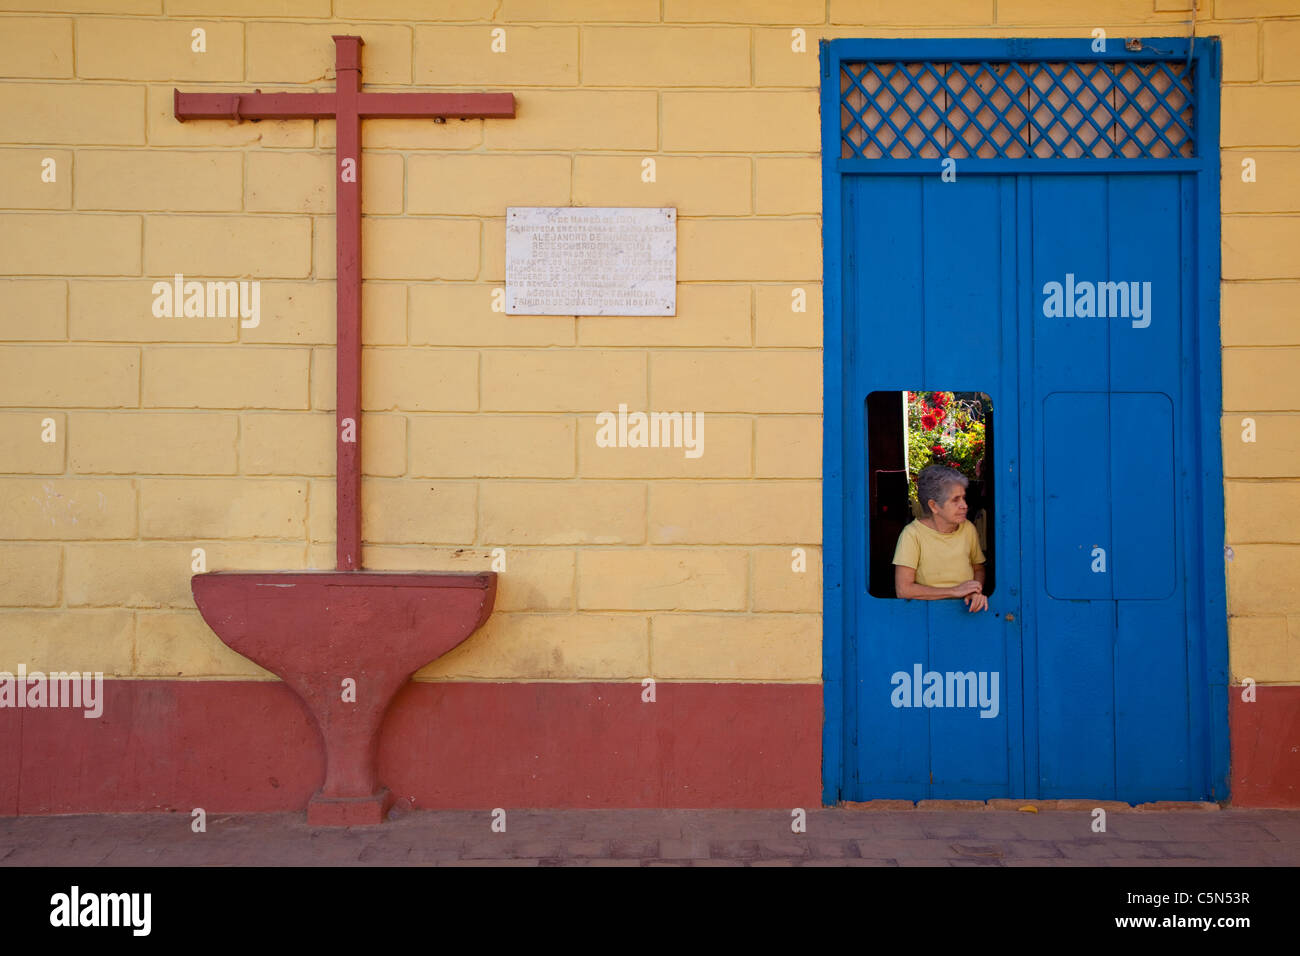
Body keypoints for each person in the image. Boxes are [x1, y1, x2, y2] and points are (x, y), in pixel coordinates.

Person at [892, 464, 988, 612]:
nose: (964, 505)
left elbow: (978, 568)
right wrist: (954, 591)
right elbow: (903, 590)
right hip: (926, 615)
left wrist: (975, 591)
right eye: (955, 500)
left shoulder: (968, 529)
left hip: (967, 612)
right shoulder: (912, 534)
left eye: (963, 498)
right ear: (934, 506)